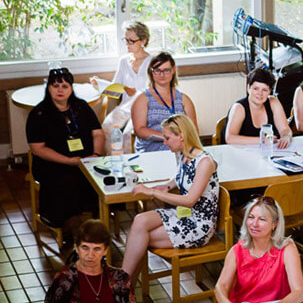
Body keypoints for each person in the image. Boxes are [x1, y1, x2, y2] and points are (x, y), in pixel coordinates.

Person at [121, 115, 219, 277]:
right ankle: (125, 282)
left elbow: (189, 201)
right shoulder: (185, 155)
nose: (164, 143)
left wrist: (153, 192)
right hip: (186, 215)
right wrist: (167, 186)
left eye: (167, 138)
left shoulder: (205, 162)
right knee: (139, 221)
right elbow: (182, 176)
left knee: (139, 238)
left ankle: (124, 283)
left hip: (199, 225)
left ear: (181, 136)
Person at [26, 67, 103, 229]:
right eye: (55, 86)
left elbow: (98, 133)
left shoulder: (81, 107)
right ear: (48, 88)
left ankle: (97, 221)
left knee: (103, 177)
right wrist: (69, 161)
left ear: (71, 89)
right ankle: (70, 227)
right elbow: (38, 149)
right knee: (67, 182)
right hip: (53, 164)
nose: (60, 90)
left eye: (65, 86)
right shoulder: (39, 114)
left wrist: (96, 154)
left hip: (86, 160)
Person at [92, 21, 152, 154]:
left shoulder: (153, 62)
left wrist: (136, 92)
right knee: (106, 127)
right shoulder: (124, 61)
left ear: (143, 41)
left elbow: (156, 91)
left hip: (144, 109)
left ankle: (130, 164)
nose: (127, 44)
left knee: (127, 135)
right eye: (126, 39)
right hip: (125, 107)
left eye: (131, 41)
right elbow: (115, 88)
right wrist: (99, 84)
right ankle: (113, 159)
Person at [131, 52, 198, 153]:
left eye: (166, 70)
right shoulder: (142, 98)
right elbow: (139, 130)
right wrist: (168, 137)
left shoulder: (184, 99)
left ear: (173, 70)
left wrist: (178, 141)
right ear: (151, 71)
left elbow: (194, 130)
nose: (162, 75)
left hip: (180, 149)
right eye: (157, 70)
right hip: (152, 151)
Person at [224, 68, 292, 148]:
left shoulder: (273, 102)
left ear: (270, 91)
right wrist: (261, 140)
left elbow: (285, 129)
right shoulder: (239, 107)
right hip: (240, 153)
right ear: (248, 88)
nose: (260, 94)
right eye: (256, 88)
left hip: (267, 151)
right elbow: (230, 138)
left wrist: (286, 136)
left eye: (264, 90)